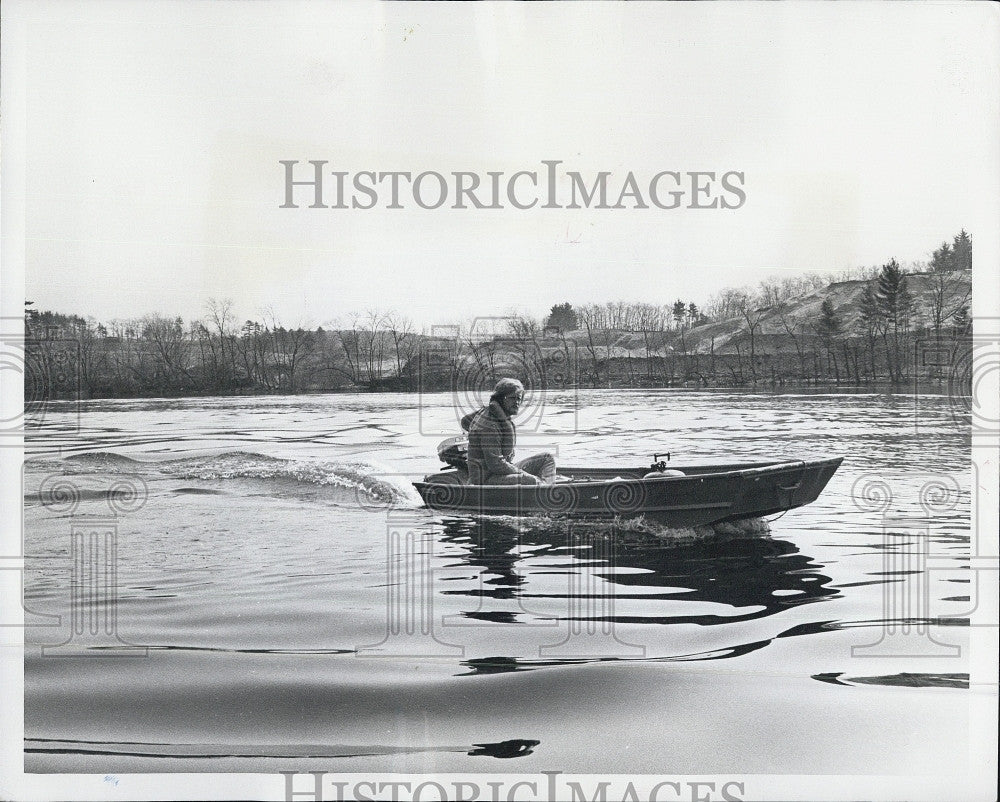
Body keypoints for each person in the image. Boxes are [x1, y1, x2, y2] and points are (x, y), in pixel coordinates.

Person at [461, 378, 556, 486]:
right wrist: (524, 475)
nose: (517, 403)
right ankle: (546, 492)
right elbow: (496, 465)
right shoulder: (489, 426)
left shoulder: (499, 415)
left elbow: (465, 422)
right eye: (512, 398)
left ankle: (545, 489)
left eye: (519, 399)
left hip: (498, 473)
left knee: (546, 458)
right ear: (500, 399)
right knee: (530, 481)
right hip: (485, 479)